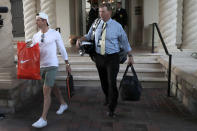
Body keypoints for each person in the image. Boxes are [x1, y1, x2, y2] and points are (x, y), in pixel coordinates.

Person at [76, 3, 134, 117]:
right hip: (99, 57)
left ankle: (112, 107)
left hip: (112, 58)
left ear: (109, 12)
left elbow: (125, 42)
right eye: (100, 12)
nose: (100, 14)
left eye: (103, 12)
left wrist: (130, 56)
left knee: (112, 82)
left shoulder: (117, 26)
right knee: (103, 82)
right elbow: (88, 36)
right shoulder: (96, 23)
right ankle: (108, 97)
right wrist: (79, 40)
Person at [28, 12, 71, 128]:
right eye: (36, 20)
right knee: (52, 86)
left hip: (52, 65)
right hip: (41, 66)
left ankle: (43, 118)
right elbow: (33, 50)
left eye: (38, 20)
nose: (36, 22)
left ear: (45, 21)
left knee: (46, 90)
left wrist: (67, 62)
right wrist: (28, 47)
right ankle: (63, 104)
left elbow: (62, 48)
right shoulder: (35, 36)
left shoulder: (54, 33)